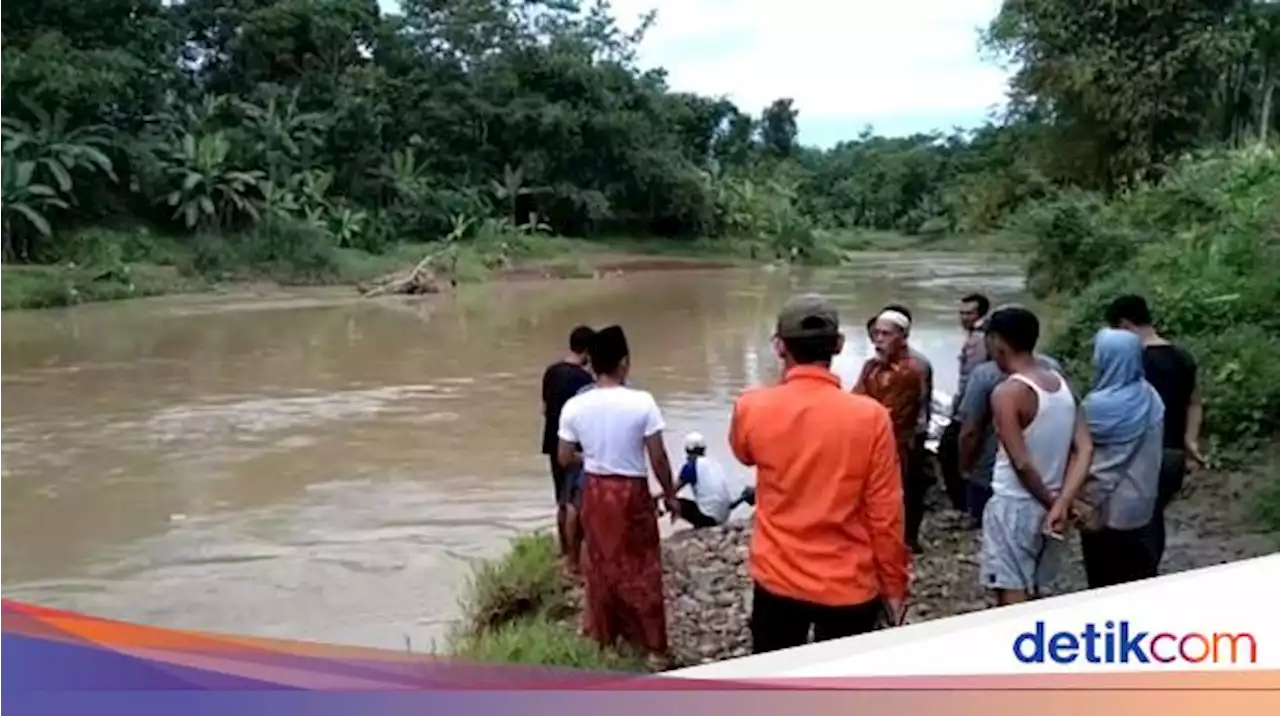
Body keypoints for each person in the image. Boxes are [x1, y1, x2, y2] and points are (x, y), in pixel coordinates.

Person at [731, 294, 909, 654]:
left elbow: (744, 454)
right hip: (849, 584)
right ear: (839, 345)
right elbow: (886, 514)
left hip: (777, 579)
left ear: (780, 346)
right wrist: (893, 584)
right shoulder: (871, 417)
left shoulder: (751, 407)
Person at [556, 325, 680, 663]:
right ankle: (653, 647)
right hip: (631, 491)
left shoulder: (575, 407)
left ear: (592, 364)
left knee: (600, 564)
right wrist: (670, 495)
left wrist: (594, 457)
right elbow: (658, 456)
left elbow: (564, 457)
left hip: (596, 490)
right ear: (624, 363)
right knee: (642, 565)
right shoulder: (642, 402)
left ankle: (605, 637)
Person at [979, 306, 1092, 605]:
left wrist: (1053, 502)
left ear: (997, 343)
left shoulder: (1008, 393)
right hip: (1053, 505)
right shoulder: (1060, 383)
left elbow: (1021, 462)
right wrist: (1063, 502)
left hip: (1014, 505)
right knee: (1040, 588)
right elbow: (1084, 447)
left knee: (1012, 588)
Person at [1104, 295, 1204, 573]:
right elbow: (1194, 402)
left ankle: (1139, 578)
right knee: (1154, 515)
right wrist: (1190, 440)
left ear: (1124, 325)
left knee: (1134, 523)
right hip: (1173, 454)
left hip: (1138, 455)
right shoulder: (1183, 356)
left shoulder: (1132, 362)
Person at [1066, 328, 1165, 588]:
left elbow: (1082, 453)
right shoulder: (1151, 396)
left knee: (1104, 579)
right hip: (1143, 505)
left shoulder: (1096, 407)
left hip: (1104, 511)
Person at [956, 307, 1064, 528]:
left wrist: (965, 467)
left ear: (996, 341)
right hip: (1050, 474)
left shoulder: (986, 376)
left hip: (996, 477)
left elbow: (971, 430)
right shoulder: (1053, 370)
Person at [854, 308, 930, 553]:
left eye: (885, 334)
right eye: (876, 334)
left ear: (903, 337)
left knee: (904, 493)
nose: (878, 340)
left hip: (902, 444)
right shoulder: (871, 367)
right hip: (877, 440)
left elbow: (887, 416)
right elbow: (856, 401)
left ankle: (903, 542)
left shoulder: (911, 370)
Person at [541, 325, 596, 567]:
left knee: (560, 500)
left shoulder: (550, 372)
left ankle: (563, 550)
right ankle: (576, 556)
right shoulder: (584, 380)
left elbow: (544, 408)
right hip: (575, 447)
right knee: (576, 500)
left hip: (552, 441)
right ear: (587, 351)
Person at [939, 293, 991, 512]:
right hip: (978, 406)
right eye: (961, 313)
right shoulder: (982, 336)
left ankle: (963, 506)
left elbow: (971, 380)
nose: (964, 318)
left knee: (949, 452)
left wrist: (960, 411)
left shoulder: (978, 340)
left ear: (981, 314)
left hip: (971, 407)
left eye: (969, 313)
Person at [674, 432, 755, 528]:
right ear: (704, 449)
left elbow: (671, 490)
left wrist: (656, 498)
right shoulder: (713, 463)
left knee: (673, 501)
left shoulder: (691, 466)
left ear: (687, 450)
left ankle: (700, 525)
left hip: (708, 519)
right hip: (724, 516)